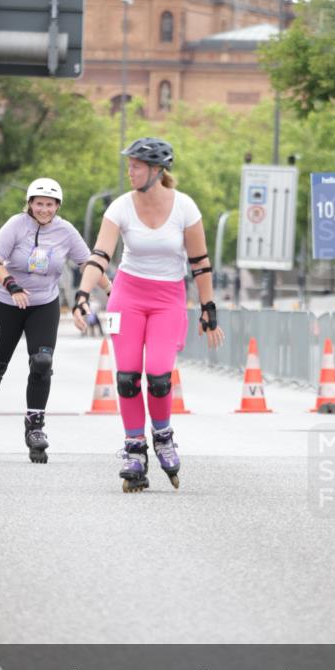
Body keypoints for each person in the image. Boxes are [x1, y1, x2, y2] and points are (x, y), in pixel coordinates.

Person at [72, 137, 224, 492]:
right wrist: (81, 294)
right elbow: (100, 255)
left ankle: (164, 435)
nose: (130, 172)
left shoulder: (185, 208)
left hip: (168, 298)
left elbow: (200, 264)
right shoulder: (120, 208)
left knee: (159, 377)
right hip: (127, 295)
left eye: (136, 166)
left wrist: (208, 308)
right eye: (129, 165)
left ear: (157, 171)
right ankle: (134, 448)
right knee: (126, 378)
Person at [0, 177, 111, 462]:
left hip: (43, 305)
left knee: (42, 362)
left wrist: (114, 292)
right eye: (39, 204)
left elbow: (90, 265)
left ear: (57, 206)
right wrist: (12, 286)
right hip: (5, 303)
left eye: (50, 205)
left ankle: (35, 426)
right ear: (30, 203)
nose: (44, 209)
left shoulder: (66, 231)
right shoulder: (16, 225)